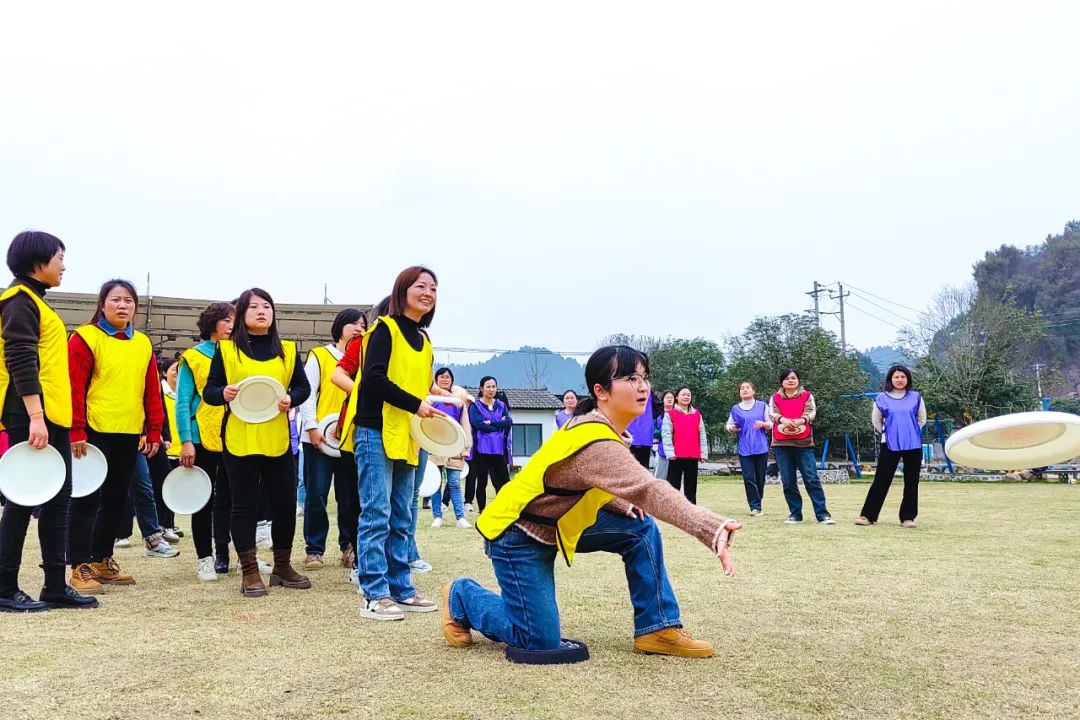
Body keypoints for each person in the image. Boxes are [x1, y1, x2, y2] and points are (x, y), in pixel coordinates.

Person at [442, 346, 742, 657]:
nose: (642, 386)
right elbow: (649, 489)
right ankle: (462, 596)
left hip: (557, 522)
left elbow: (581, 480)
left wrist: (620, 503)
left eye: (644, 377)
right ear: (601, 391)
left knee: (640, 528)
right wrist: (710, 526)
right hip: (517, 533)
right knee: (538, 640)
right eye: (629, 377)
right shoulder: (595, 438)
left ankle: (659, 627)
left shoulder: (602, 430)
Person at [335, 268, 441, 621]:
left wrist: (443, 403)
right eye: (420, 286)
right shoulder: (384, 329)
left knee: (402, 515)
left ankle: (402, 588)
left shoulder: (424, 341)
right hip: (374, 429)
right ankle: (374, 594)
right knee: (377, 513)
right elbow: (374, 380)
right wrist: (416, 404)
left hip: (409, 434)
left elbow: (422, 388)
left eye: (433, 288)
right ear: (402, 290)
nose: (428, 292)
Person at [0, 231, 97, 611]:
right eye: (59, 258)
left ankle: (55, 583)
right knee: (24, 501)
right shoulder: (19, 301)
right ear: (37, 261)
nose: (64, 266)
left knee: (58, 500)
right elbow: (20, 359)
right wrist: (35, 417)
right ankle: (5, 586)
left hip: (51, 414)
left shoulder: (37, 302)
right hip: (31, 414)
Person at [203, 288, 312, 598]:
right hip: (240, 437)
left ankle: (282, 566)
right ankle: (250, 571)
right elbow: (210, 392)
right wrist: (222, 393)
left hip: (277, 438)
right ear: (242, 315)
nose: (262, 311)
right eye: (254, 307)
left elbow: (303, 388)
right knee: (243, 506)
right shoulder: (225, 350)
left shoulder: (288, 351)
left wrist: (292, 399)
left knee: (284, 504)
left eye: (267, 306)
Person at [67, 279, 166, 592]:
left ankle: (102, 560)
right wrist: (76, 429)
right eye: (116, 300)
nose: (123, 306)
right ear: (102, 304)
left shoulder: (143, 343)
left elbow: (151, 389)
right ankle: (78, 564)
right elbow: (74, 387)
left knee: (116, 499)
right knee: (86, 499)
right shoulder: (85, 338)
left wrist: (154, 428)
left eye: (128, 301)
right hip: (93, 431)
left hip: (128, 432)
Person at [297, 308, 365, 570]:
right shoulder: (320, 356)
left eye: (363, 325)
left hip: (349, 438)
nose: (359, 329)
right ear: (340, 326)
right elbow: (308, 393)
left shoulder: (362, 358)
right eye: (353, 324)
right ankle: (314, 549)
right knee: (316, 493)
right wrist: (312, 427)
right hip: (319, 438)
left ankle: (348, 546)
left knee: (350, 496)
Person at [176, 301, 235, 579]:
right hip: (201, 435)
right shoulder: (193, 356)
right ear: (213, 324)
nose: (232, 324)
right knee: (203, 498)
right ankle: (204, 557)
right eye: (226, 319)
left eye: (234, 319)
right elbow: (182, 402)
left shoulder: (240, 353)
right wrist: (186, 440)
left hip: (236, 434)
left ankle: (224, 551)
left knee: (231, 497)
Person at [857, 365, 927, 528]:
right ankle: (868, 516)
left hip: (913, 444)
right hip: (889, 443)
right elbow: (876, 420)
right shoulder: (882, 398)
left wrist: (909, 432)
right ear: (890, 379)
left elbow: (922, 419)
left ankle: (908, 518)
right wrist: (890, 433)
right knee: (881, 479)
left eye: (903, 377)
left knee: (911, 481)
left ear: (907, 379)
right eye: (896, 377)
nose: (900, 380)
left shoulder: (916, 397)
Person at [769, 369, 834, 525]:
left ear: (798, 380)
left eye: (793, 378)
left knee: (811, 478)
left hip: (804, 444)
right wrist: (783, 420)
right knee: (788, 481)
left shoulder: (807, 396)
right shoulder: (774, 398)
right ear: (781, 382)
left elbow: (811, 412)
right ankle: (795, 514)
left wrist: (801, 420)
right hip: (781, 444)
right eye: (786, 378)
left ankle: (823, 514)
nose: (790, 381)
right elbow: (772, 414)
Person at [428, 368, 472, 529]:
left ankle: (460, 517)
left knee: (454, 482)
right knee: (435, 483)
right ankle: (437, 516)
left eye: (447, 377)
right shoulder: (431, 399)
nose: (444, 379)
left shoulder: (459, 402)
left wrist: (466, 447)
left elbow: (465, 425)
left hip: (454, 446)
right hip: (435, 444)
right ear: (436, 380)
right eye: (441, 377)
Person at [726, 381, 772, 516]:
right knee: (748, 477)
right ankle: (755, 506)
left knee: (760, 477)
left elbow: (771, 423)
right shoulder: (735, 409)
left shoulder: (762, 406)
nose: (745, 390)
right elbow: (728, 425)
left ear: (753, 391)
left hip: (761, 447)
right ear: (739, 393)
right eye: (742, 388)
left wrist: (763, 424)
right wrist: (731, 428)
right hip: (744, 448)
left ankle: (758, 502)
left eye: (748, 388)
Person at [468, 376, 512, 513]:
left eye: (494, 386)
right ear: (481, 388)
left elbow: (508, 422)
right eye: (488, 386)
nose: (491, 389)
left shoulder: (502, 405)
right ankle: (482, 510)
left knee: (504, 481)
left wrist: (491, 422)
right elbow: (479, 425)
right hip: (482, 450)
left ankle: (504, 509)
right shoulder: (475, 406)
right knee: (482, 482)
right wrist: (499, 424)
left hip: (499, 450)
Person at [661, 387, 708, 504]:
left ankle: (691, 509)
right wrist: (670, 452)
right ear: (677, 397)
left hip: (693, 454)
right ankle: (671, 508)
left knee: (691, 486)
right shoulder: (670, 414)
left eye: (688, 395)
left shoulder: (697, 414)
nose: (686, 397)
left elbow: (702, 434)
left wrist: (703, 453)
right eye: (683, 395)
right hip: (676, 455)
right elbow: (666, 434)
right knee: (673, 484)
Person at [653, 391, 675, 480]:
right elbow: (653, 431)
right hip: (661, 448)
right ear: (663, 400)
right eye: (667, 397)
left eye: (671, 398)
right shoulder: (658, 414)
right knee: (660, 475)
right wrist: (665, 431)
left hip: (677, 448)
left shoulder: (678, 413)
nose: (669, 399)